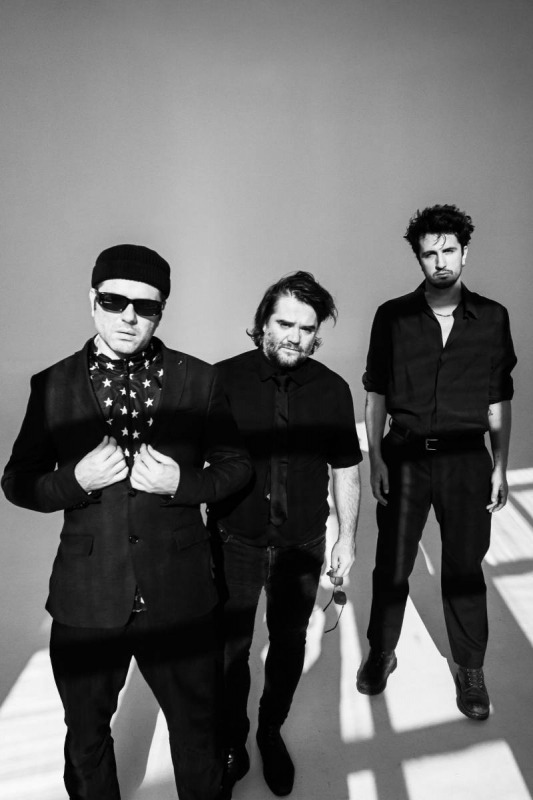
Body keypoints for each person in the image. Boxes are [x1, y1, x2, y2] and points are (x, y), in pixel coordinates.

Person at [2, 244, 252, 800]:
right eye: (115, 302)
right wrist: (75, 480)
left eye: (146, 306)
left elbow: (237, 467)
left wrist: (184, 484)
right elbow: (17, 481)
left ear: (162, 311)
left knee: (199, 734)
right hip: (87, 596)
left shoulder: (199, 379)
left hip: (181, 594)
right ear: (92, 301)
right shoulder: (52, 385)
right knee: (85, 738)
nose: (129, 317)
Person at [358, 204, 516, 721]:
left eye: (449, 250)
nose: (441, 261)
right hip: (405, 456)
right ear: (419, 258)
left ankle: (470, 668)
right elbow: (376, 392)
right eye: (430, 253)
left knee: (464, 568)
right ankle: (382, 651)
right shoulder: (392, 316)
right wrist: (375, 457)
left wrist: (499, 465)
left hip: (467, 460)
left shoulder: (492, 317)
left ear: (465, 252)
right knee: (392, 565)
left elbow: (498, 398)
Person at [208, 271, 362, 798]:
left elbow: (346, 468)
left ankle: (270, 731)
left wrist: (346, 539)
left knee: (290, 642)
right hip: (234, 540)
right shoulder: (221, 381)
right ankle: (233, 740)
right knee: (231, 648)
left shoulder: (333, 389)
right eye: (284, 323)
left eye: (306, 328)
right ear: (263, 323)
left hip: (302, 543)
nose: (294, 336)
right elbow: (191, 461)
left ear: (317, 333)